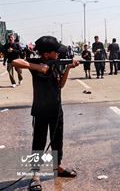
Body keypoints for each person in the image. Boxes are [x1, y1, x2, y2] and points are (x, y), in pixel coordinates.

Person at [12, 36, 79, 191]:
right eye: (55, 52)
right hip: (41, 110)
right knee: (39, 142)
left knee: (57, 141)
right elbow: (15, 62)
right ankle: (35, 175)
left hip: (56, 109)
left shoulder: (56, 64)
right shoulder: (36, 62)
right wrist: (39, 68)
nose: (58, 54)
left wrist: (68, 68)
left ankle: (58, 167)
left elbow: (60, 84)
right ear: (47, 53)